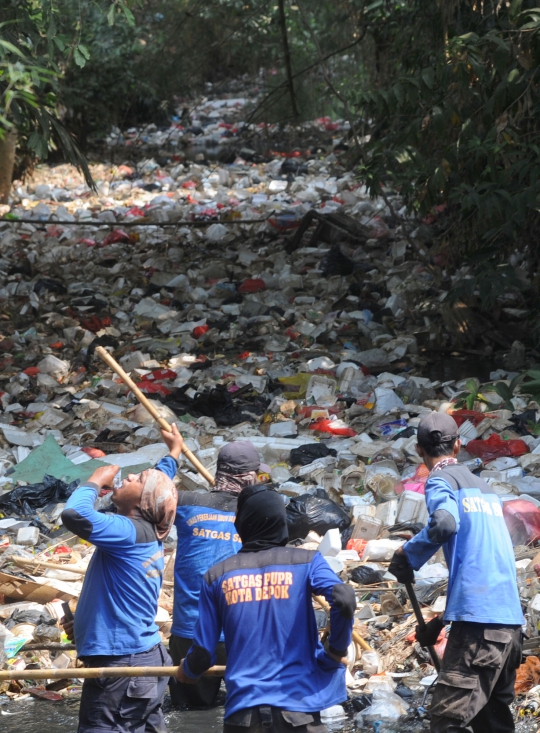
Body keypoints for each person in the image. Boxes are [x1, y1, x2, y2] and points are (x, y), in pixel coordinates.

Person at [176, 484, 356, 733]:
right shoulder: (306, 561)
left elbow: (203, 654)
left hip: (244, 718)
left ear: (243, 523)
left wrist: (187, 671)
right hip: (299, 712)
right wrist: (335, 649)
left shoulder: (216, 576)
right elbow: (344, 598)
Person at [388, 412, 524, 733]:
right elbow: (480, 566)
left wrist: (409, 555)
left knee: (447, 722)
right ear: (459, 445)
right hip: (510, 624)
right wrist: (440, 622)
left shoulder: (439, 480)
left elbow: (445, 523)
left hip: (482, 629)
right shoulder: (487, 490)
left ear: (419, 450)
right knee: (491, 721)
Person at [61, 424, 182, 733]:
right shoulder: (147, 528)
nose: (129, 475)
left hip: (123, 665)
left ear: (142, 504)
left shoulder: (126, 531)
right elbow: (158, 485)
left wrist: (94, 480)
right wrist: (173, 453)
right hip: (141, 657)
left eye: (136, 479)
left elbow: (74, 514)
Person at [169, 440, 263, 708]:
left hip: (190, 631)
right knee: (247, 713)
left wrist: (172, 454)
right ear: (249, 477)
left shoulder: (186, 502)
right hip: (242, 632)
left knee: (189, 715)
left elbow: (151, 493)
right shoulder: (257, 511)